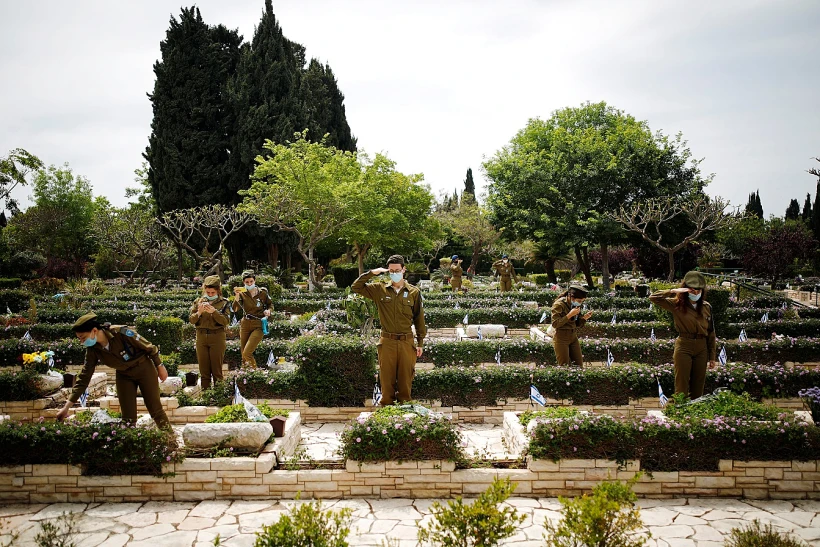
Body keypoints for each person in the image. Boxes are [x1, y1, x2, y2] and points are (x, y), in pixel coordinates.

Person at [56, 313, 171, 429]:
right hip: (123, 375)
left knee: (155, 408)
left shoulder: (120, 332)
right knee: (128, 418)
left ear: (94, 331)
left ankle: (170, 440)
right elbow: (84, 378)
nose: (81, 342)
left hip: (144, 369)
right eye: (79, 338)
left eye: (83, 337)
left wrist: (160, 366)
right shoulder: (93, 349)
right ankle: (131, 444)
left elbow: (149, 347)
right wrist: (66, 407)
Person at [352, 255, 427, 405]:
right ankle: (387, 412)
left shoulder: (414, 292)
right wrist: (371, 273)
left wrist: (420, 342)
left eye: (397, 270)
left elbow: (419, 318)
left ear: (403, 270)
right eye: (391, 271)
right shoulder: (379, 289)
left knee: (406, 379)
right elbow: (356, 287)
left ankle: (404, 413)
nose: (394, 273)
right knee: (386, 379)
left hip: (407, 342)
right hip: (387, 342)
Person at [649, 271, 716, 399]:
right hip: (684, 344)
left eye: (698, 290)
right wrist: (673, 291)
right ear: (685, 289)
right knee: (681, 383)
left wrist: (712, 356)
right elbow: (654, 297)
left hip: (702, 347)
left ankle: (695, 413)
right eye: (692, 290)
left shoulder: (707, 307)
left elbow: (711, 332)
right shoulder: (677, 304)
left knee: (698, 384)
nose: (696, 293)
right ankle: (680, 411)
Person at [190, 275, 230, 389]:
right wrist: (199, 312)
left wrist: (214, 312)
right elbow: (191, 320)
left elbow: (226, 321)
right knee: (204, 371)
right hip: (201, 337)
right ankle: (206, 395)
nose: (210, 294)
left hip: (217, 336)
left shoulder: (224, 303)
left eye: (213, 292)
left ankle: (218, 395)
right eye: (208, 292)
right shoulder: (198, 301)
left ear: (218, 290)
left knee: (217, 371)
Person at [232, 270, 272, 368]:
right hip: (245, 323)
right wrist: (236, 296)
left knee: (247, 353)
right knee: (243, 355)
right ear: (243, 283)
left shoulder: (262, 292)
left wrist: (269, 311)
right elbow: (235, 309)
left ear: (254, 281)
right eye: (247, 282)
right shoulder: (242, 293)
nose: (249, 284)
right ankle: (245, 377)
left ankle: (255, 375)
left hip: (259, 324)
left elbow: (270, 304)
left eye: (251, 281)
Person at [550, 284, 593, 366]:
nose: (580, 303)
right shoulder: (559, 304)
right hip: (561, 337)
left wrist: (584, 318)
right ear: (571, 297)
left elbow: (576, 324)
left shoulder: (575, 305)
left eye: (582, 301)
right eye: (579, 301)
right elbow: (555, 324)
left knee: (579, 365)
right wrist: (569, 315)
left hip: (573, 336)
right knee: (564, 365)